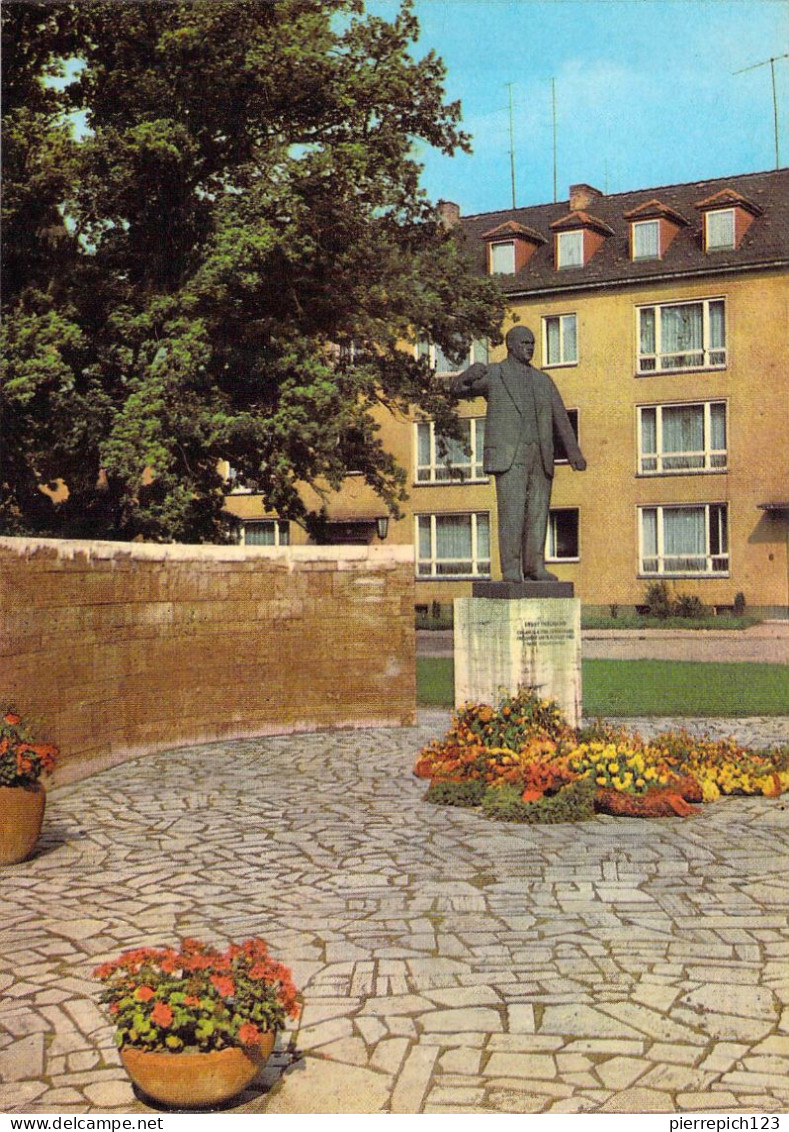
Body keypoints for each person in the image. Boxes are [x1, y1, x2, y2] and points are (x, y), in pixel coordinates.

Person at [452, 325, 586, 582]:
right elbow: (457, 390)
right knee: (512, 514)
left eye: (533, 343)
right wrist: (468, 374)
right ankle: (511, 569)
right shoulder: (495, 374)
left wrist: (574, 453)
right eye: (525, 343)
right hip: (509, 456)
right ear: (511, 346)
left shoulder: (543, 381)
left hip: (540, 456)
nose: (530, 347)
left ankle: (534, 566)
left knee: (538, 513)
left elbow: (561, 417)